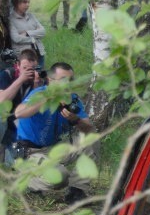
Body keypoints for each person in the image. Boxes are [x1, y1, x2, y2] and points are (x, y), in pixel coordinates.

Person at [13, 62, 94, 203]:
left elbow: (89, 128)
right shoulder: (39, 93)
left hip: (53, 149)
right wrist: (49, 97)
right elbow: (19, 113)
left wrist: (75, 120)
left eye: (71, 80)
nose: (68, 84)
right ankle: (25, 179)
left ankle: (76, 191)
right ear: (50, 80)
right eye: (63, 80)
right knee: (60, 177)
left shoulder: (72, 99)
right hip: (31, 152)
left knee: (91, 138)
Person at [0, 49, 42, 166]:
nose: (29, 72)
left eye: (33, 68)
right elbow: (2, 101)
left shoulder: (38, 80)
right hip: (4, 121)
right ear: (17, 65)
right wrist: (20, 79)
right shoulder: (7, 75)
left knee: (14, 165)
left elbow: (34, 110)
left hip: (18, 126)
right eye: (25, 68)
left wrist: (36, 86)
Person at [9, 0, 46, 68]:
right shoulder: (11, 19)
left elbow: (43, 32)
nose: (27, 5)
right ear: (16, 3)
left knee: (39, 77)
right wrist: (35, 36)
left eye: (28, 2)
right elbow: (16, 38)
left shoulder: (31, 16)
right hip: (23, 56)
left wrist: (27, 33)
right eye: (24, 2)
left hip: (38, 52)